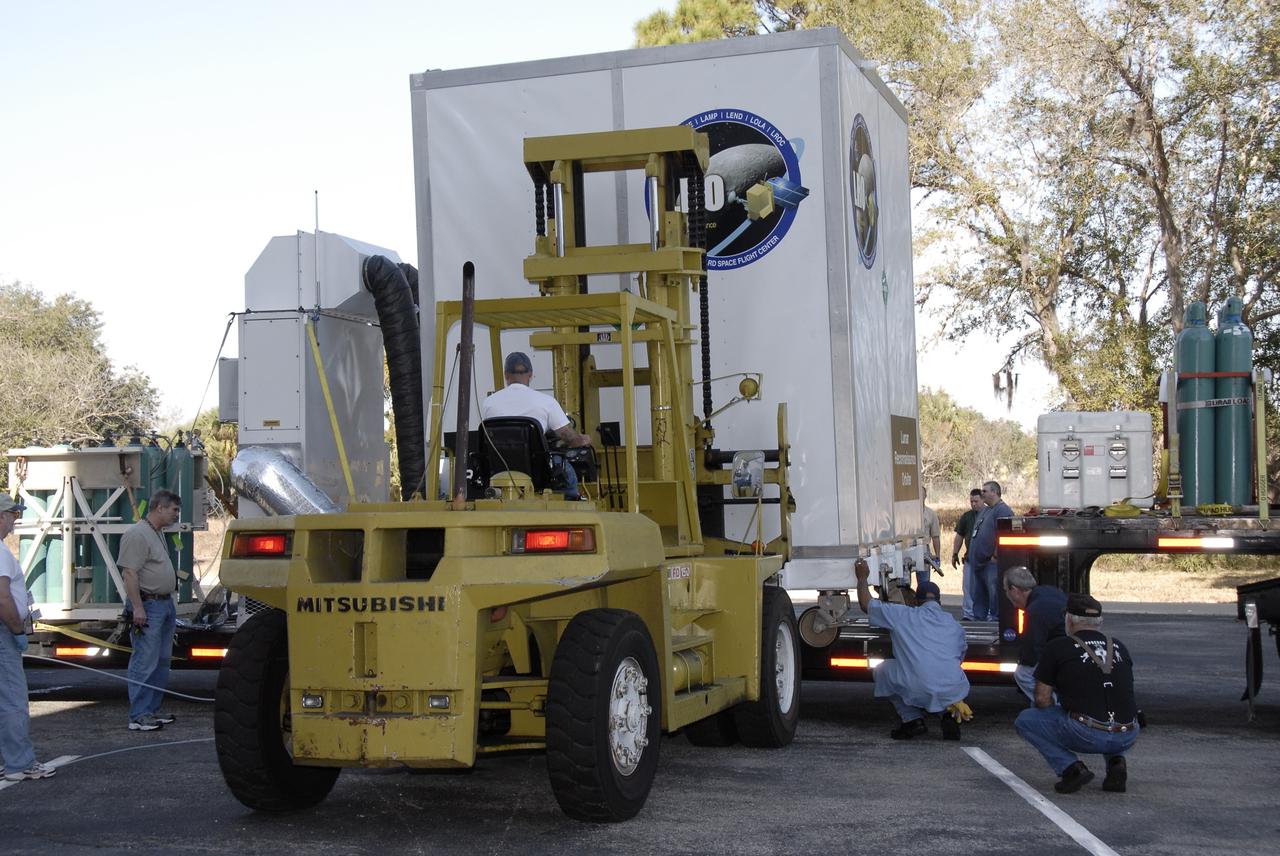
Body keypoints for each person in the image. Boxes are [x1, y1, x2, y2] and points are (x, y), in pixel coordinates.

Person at [1014, 594, 1139, 794]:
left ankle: (1071, 768)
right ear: (1100, 621)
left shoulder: (1057, 647)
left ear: (1069, 620)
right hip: (1128, 733)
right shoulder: (1119, 646)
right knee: (1112, 704)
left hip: (1087, 732)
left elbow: (1042, 699)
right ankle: (1116, 763)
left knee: (1026, 720)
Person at [855, 560, 970, 740]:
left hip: (919, 685)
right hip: (954, 688)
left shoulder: (903, 615)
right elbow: (960, 657)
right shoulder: (955, 626)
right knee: (940, 675)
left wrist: (862, 577)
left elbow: (865, 604)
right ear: (939, 602)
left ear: (915, 601)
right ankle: (946, 714)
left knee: (883, 671)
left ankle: (912, 720)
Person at [481, 351, 592, 498]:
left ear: (506, 374)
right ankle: (573, 501)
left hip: (498, 473)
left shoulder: (489, 403)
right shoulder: (546, 402)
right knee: (567, 471)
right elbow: (571, 439)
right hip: (537, 473)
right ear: (531, 374)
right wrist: (584, 439)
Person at [0, 496, 56, 782]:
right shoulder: (0, 552)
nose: (15, 520)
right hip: (4, 632)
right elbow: (3, 598)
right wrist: (17, 631)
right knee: (13, 700)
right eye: (11, 514)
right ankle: (18, 764)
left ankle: (6, 759)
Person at [120, 489, 182, 732]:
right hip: (149, 605)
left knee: (161, 660)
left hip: (164, 604)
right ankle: (139, 715)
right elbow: (129, 573)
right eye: (174, 510)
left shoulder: (157, 533)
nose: (176, 515)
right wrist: (137, 607)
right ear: (160, 508)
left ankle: (152, 709)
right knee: (145, 660)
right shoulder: (137, 534)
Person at [1003, 565, 1067, 703]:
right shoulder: (1050, 592)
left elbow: (1032, 651)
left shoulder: (1035, 610)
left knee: (1023, 674)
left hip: (1062, 655)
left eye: (1006, 590)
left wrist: (1021, 660)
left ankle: (1051, 705)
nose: (1006, 595)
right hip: (1070, 648)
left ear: (1014, 590)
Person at [967, 480, 1013, 622]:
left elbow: (1006, 534)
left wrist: (995, 555)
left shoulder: (1003, 510)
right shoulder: (985, 510)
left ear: (994, 492)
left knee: (994, 594)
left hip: (991, 563)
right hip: (979, 563)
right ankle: (979, 619)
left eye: (985, 491)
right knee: (979, 595)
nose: (982, 493)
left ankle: (995, 620)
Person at [951, 488, 982, 620]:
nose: (973, 504)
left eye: (976, 501)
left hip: (986, 559)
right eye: (971, 501)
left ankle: (986, 613)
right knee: (968, 588)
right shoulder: (967, 516)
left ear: (983, 500)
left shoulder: (988, 514)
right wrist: (955, 553)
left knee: (985, 587)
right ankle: (969, 614)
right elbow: (959, 535)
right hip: (970, 558)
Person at [917, 486, 942, 586]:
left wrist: (937, 557)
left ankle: (923, 600)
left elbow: (935, 537)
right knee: (904, 582)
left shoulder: (931, 514)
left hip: (924, 548)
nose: (919, 497)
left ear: (925, 496)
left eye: (922, 494)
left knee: (924, 581)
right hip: (907, 548)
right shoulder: (906, 513)